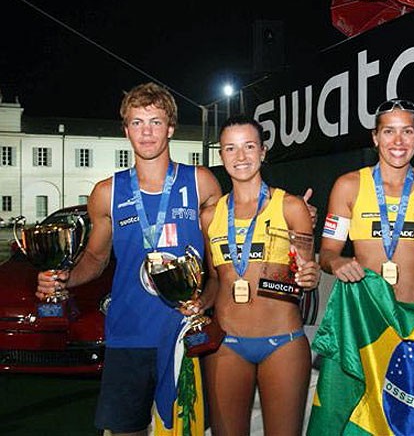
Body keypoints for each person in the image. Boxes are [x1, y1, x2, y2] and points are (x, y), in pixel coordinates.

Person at [36, 82, 222, 435]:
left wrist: (205, 301)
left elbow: (217, 271)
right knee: (126, 432)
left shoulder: (201, 183)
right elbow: (95, 257)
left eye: (155, 121)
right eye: (137, 122)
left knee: (188, 431)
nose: (146, 131)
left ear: (170, 128)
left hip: (185, 334)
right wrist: (63, 278)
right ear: (125, 131)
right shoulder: (107, 193)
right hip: (128, 335)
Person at [198, 115, 321, 435]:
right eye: (231, 148)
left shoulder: (292, 207)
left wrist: (310, 275)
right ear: (221, 155)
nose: (241, 157)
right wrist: (197, 303)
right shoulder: (209, 217)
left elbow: (305, 272)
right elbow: (214, 279)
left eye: (249, 146)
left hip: (283, 342)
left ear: (263, 151)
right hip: (226, 344)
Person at [320, 98, 414, 303]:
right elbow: (327, 253)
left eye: (407, 131)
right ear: (375, 137)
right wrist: (337, 262)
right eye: (389, 131)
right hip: (368, 316)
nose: (398, 141)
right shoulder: (348, 186)